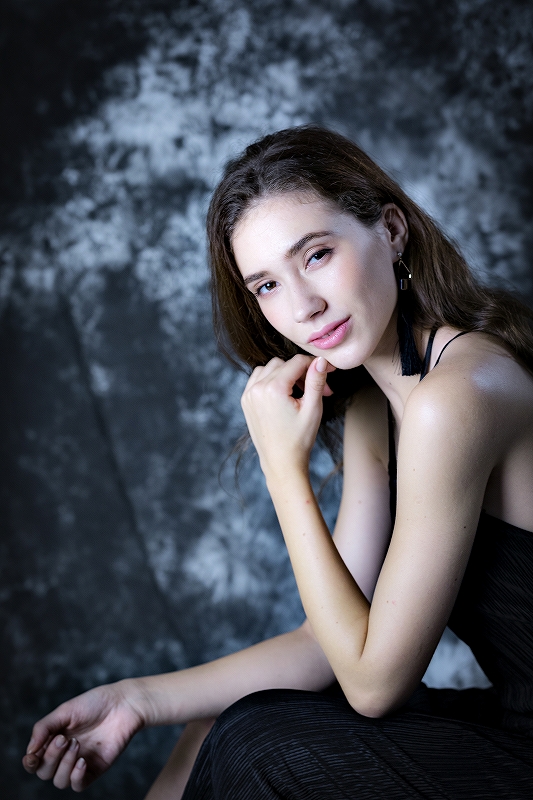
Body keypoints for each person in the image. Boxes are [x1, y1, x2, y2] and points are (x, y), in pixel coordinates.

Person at [23, 126, 533, 798]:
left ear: (390, 231)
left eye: (316, 255)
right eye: (266, 285)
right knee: (221, 722)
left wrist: (282, 468)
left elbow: (374, 683)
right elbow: (326, 645)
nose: (302, 306)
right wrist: (135, 699)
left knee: (256, 742)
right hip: (514, 722)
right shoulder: (377, 406)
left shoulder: (456, 396)